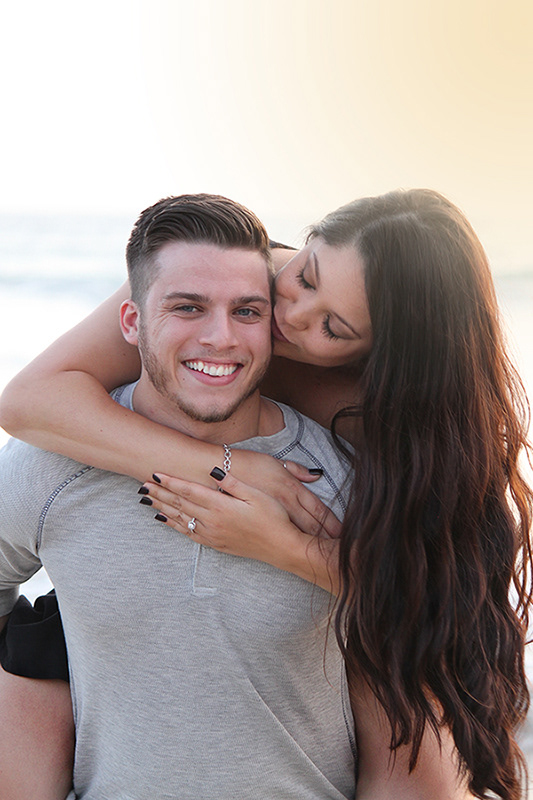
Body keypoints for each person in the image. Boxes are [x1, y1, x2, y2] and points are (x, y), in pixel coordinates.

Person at [1, 188, 531, 799]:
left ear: (379, 356)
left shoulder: (379, 435)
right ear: (302, 246)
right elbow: (25, 401)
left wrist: (281, 545)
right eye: (304, 277)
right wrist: (224, 465)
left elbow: (443, 605)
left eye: (333, 327)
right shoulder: (234, 274)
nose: (291, 318)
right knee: (40, 638)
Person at [0, 194, 359, 800]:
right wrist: (24, 688)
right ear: (132, 322)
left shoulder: (337, 479)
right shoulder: (53, 461)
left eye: (247, 311)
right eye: (188, 307)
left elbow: (433, 633)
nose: (220, 338)